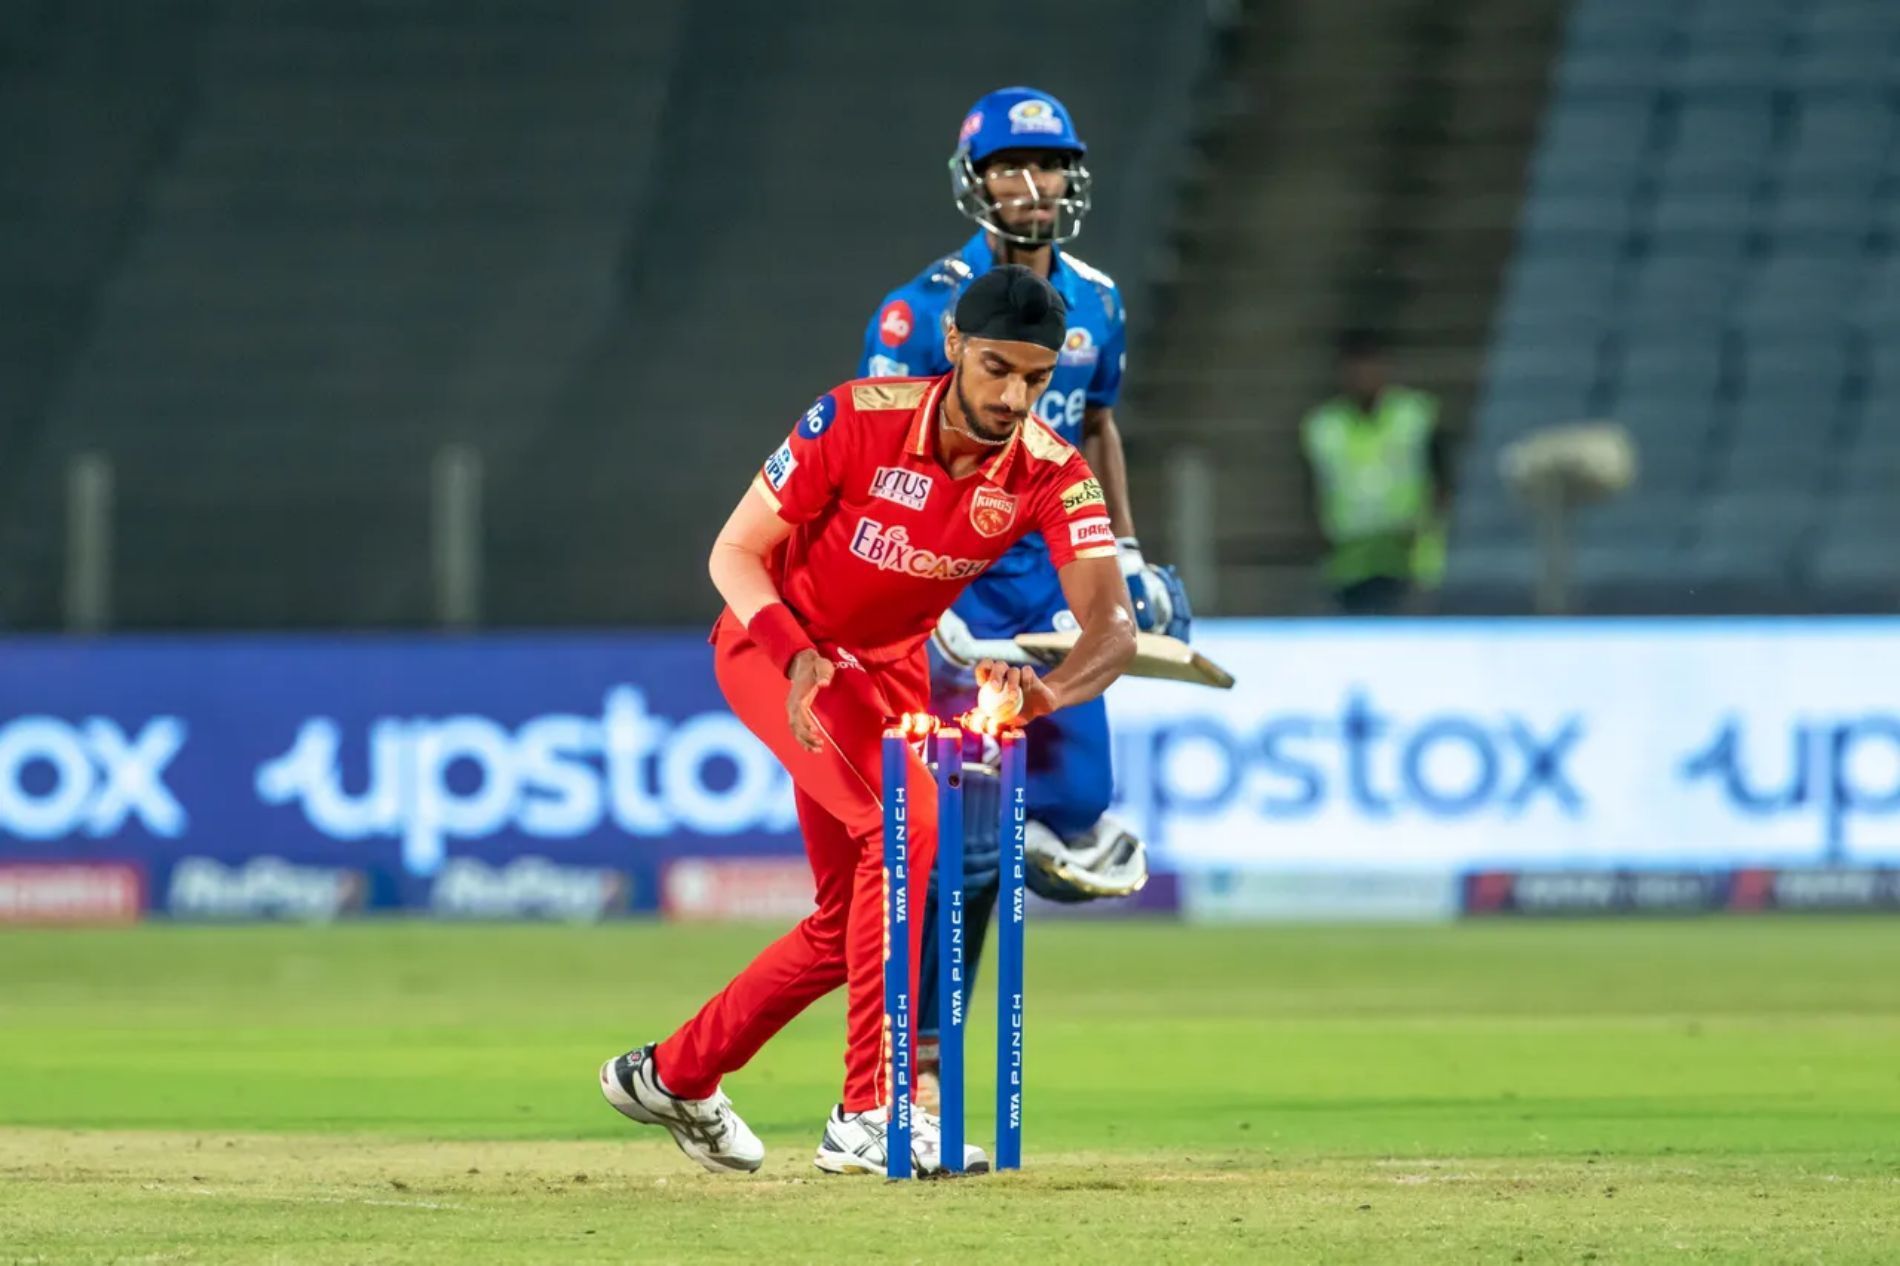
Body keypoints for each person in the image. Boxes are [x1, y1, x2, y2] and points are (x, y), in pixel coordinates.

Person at [600, 266, 1137, 1177]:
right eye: (998, 368)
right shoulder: (857, 416)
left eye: (1036, 380)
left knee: (855, 919)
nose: (1014, 397)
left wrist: (1040, 696)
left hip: (891, 677)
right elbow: (733, 553)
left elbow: (1113, 629)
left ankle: (672, 1074)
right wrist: (793, 649)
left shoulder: (1051, 471)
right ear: (956, 347)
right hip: (779, 651)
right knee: (908, 830)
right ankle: (870, 1110)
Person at [860, 86, 1189, 1110]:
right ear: (975, 181)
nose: (1030, 185)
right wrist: (912, 590)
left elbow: (1095, 429)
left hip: (1049, 591)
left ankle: (1045, 834)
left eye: (1045, 167)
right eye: (1008, 167)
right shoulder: (921, 311)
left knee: (1073, 811)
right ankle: (902, 1066)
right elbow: (876, 453)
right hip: (946, 593)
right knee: (951, 848)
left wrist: (1125, 553)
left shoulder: (1096, 299)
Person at [1300, 329, 1452, 615]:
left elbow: (1442, 479)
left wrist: (1428, 522)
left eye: (1370, 365)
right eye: (1356, 367)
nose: (1364, 375)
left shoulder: (1415, 415)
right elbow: (1311, 488)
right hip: (1348, 562)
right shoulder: (1324, 425)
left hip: (1410, 559)